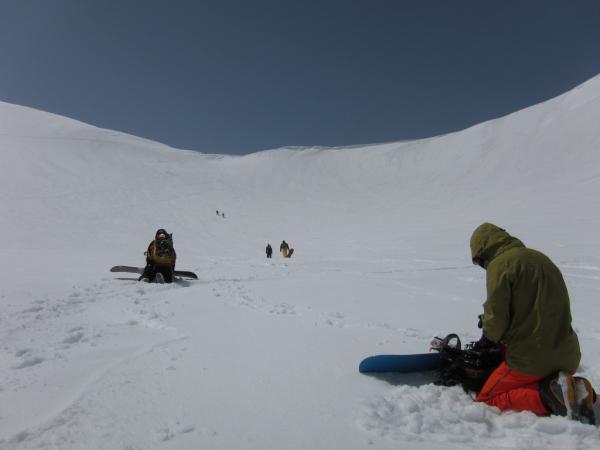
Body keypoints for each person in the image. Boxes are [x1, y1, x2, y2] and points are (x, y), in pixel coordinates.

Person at [470, 223, 596, 424]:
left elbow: (496, 316)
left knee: (487, 399)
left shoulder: (499, 265)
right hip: (568, 356)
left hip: (531, 359)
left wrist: (487, 337)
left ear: (483, 251)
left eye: (479, 262)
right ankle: (573, 388)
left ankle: (549, 396)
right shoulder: (541, 258)